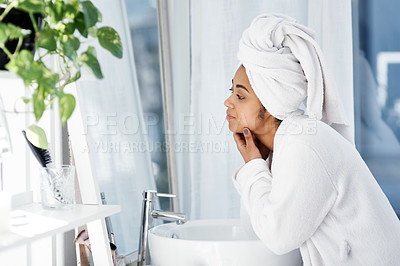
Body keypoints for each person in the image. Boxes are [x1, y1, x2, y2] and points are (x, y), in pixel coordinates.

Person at [224, 13, 400, 265]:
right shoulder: (284, 147)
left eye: (240, 96)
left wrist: (253, 167)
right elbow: (256, 233)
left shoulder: (304, 143)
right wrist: (258, 166)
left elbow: (277, 239)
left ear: (272, 101)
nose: (227, 102)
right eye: (232, 91)